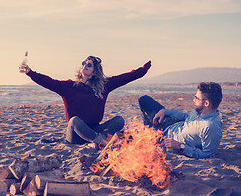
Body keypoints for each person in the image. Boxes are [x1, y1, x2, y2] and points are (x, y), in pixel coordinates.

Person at [19, 55, 152, 148]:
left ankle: (96, 141)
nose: (85, 66)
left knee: (119, 120)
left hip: (95, 129)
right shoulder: (68, 87)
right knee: (74, 120)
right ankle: (103, 143)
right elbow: (48, 81)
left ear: (95, 71)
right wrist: (30, 73)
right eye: (84, 63)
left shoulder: (103, 86)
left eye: (89, 65)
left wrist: (142, 71)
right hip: (75, 135)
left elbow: (125, 78)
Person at [138, 82, 223, 159]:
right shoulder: (199, 111)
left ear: (206, 103)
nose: (193, 100)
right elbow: (186, 116)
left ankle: (148, 131)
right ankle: (148, 127)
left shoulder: (210, 127)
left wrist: (180, 146)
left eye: (196, 98)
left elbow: (208, 154)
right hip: (170, 124)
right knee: (144, 100)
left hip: (164, 139)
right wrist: (165, 111)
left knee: (131, 140)